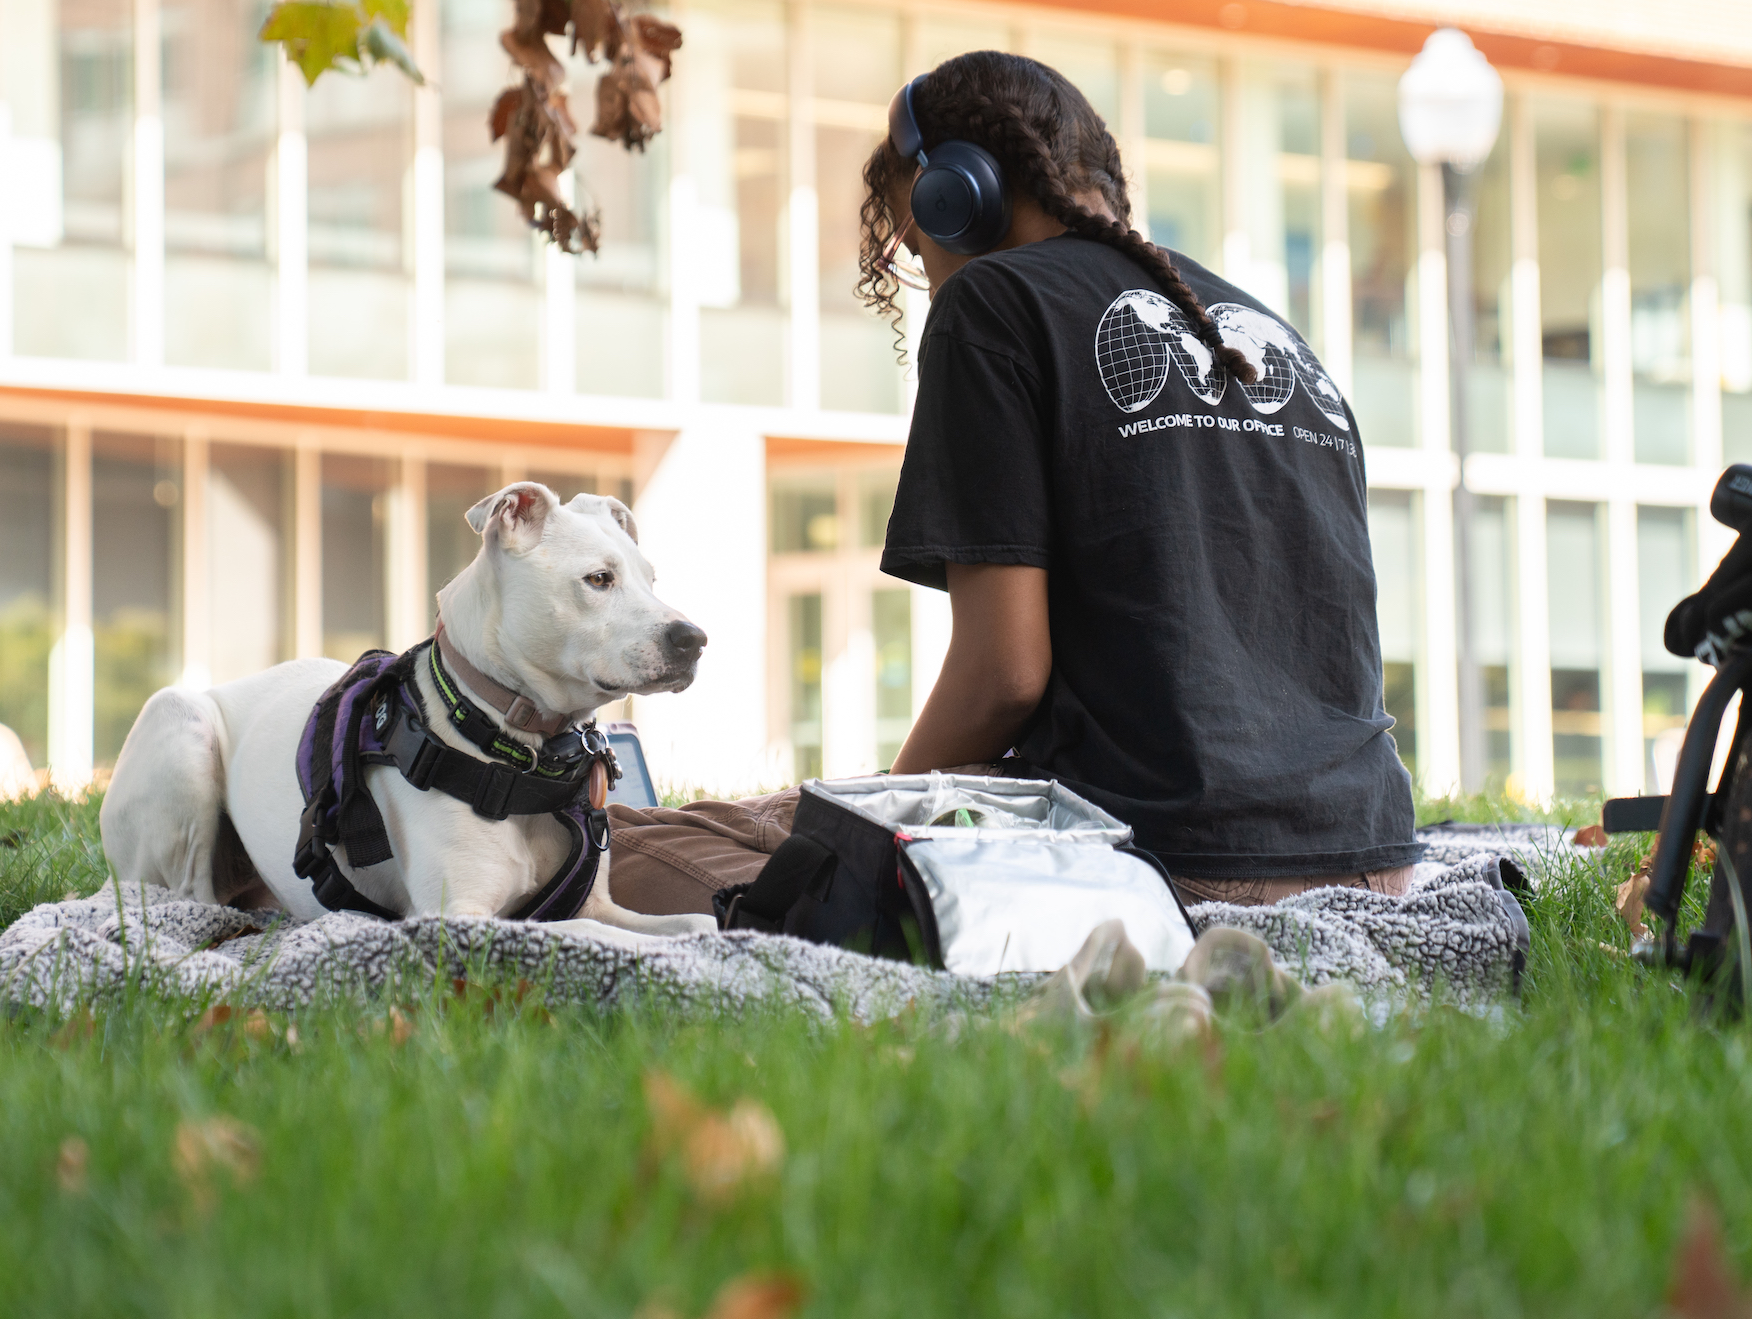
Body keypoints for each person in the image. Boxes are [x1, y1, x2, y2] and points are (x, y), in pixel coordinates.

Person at [606, 50, 1420, 914]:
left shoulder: (993, 300)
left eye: (912, 243)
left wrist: (877, 822)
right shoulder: (1266, 330)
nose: (922, 272)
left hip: (1167, 861)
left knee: (618, 852)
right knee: (750, 816)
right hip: (1375, 852)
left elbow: (1005, 677)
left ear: (954, 197)